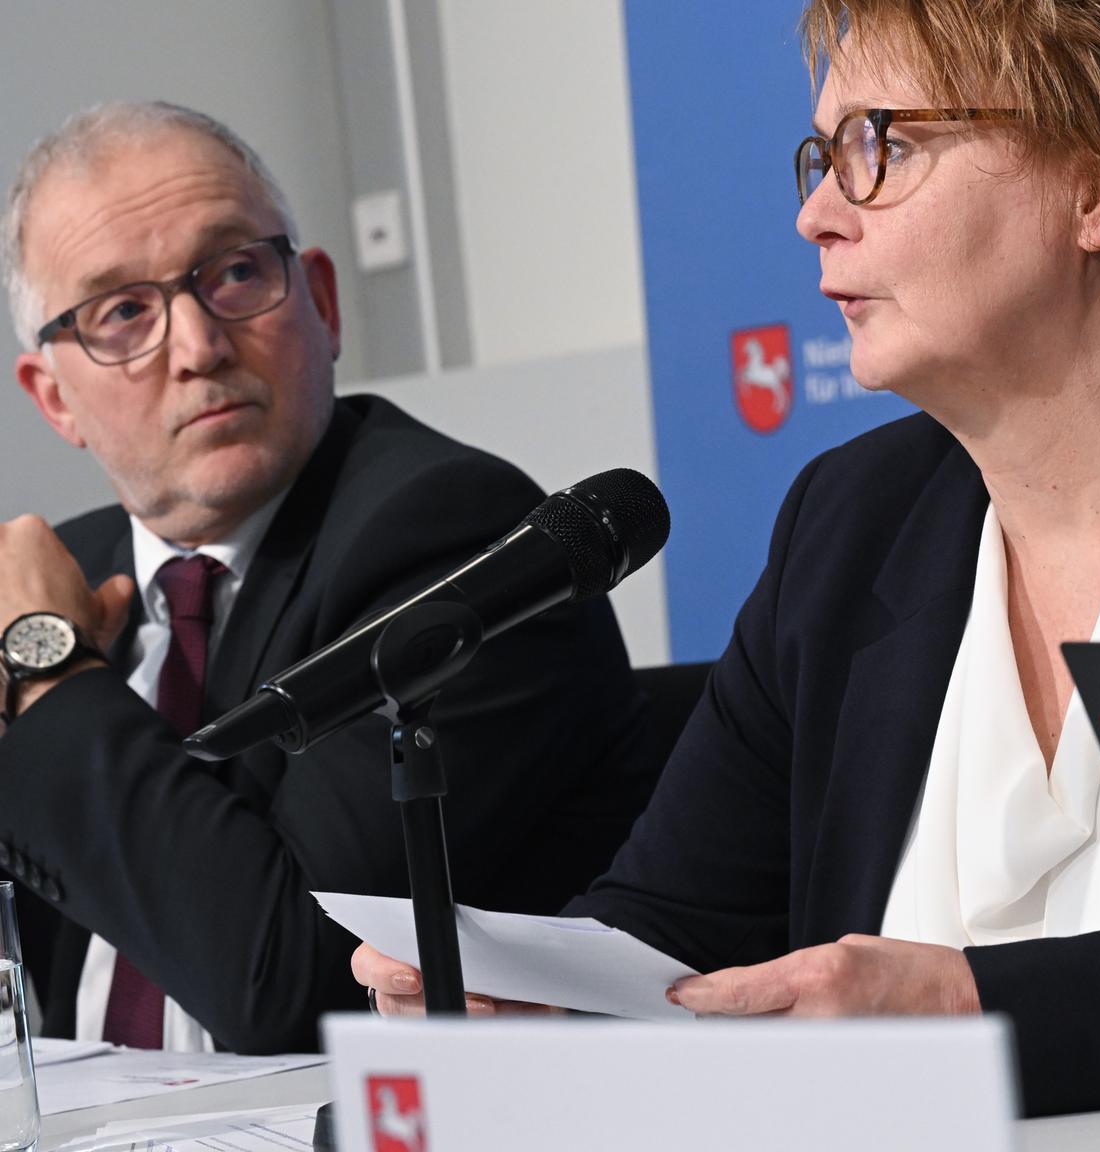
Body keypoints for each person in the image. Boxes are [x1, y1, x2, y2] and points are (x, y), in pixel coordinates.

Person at [352, 0, 1100, 1118]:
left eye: (880, 145)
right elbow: (676, 919)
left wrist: (966, 1013)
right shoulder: (855, 522)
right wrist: (539, 997)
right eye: (820, 157)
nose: (816, 215)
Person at [0, 101, 661, 1053]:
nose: (197, 347)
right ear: (54, 397)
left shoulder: (447, 533)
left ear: (323, 301)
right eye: (123, 313)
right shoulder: (70, 577)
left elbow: (283, 979)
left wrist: (53, 680)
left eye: (234, 273)